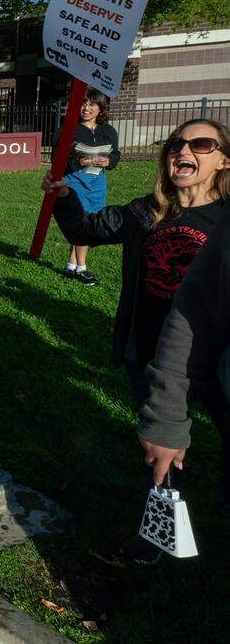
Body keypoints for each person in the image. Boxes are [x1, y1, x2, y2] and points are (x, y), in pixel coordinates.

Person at [44, 117, 230, 563]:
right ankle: (158, 531)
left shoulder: (226, 220)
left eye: (201, 144)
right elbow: (85, 231)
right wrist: (66, 201)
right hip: (152, 353)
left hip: (215, 357)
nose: (183, 151)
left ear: (223, 159)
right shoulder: (147, 212)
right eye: (176, 144)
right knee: (160, 447)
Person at [141, 206, 230, 514]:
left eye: (202, 151)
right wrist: (165, 416)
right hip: (149, 342)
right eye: (173, 151)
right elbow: (196, 309)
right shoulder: (148, 210)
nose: (182, 154)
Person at [61, 89, 121, 285]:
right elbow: (59, 157)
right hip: (75, 179)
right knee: (82, 222)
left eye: (91, 104)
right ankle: (82, 268)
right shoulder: (70, 128)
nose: (86, 108)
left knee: (90, 220)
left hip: (97, 181)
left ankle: (70, 266)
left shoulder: (108, 131)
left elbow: (116, 155)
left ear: (100, 108)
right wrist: (80, 160)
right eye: (83, 103)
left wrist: (108, 161)